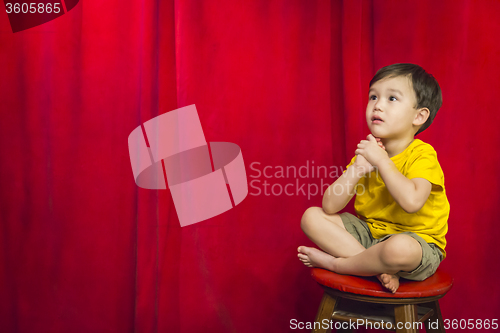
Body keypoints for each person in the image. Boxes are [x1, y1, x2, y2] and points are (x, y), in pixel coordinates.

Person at [297, 63, 449, 293]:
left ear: (419, 116)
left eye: (392, 99)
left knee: (397, 248)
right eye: (373, 97)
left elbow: (411, 202)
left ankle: (340, 265)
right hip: (369, 234)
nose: (377, 105)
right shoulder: (369, 151)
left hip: (417, 243)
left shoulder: (422, 154)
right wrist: (357, 169)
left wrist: (382, 161)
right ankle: (376, 269)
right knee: (311, 217)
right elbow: (329, 205)